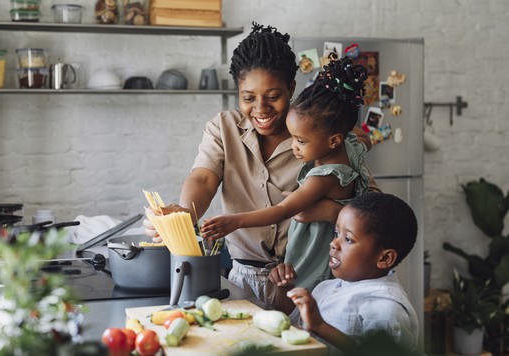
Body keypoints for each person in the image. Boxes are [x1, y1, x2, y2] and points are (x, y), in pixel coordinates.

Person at [143, 22, 377, 304]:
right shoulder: (223, 127)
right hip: (243, 279)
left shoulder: (320, 135)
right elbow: (203, 179)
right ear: (238, 91)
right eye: (248, 98)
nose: (261, 109)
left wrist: (329, 211)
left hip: (311, 278)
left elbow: (373, 204)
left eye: (273, 97)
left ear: (291, 88)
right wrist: (183, 215)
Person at [200, 54, 371, 293]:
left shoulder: (322, 175)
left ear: (291, 88)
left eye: (299, 141)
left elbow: (283, 211)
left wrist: (235, 221)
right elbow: (364, 139)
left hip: (306, 269)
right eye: (248, 97)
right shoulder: (345, 147)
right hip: (255, 272)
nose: (293, 146)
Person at [273, 192, 419, 353]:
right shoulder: (326, 287)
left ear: (384, 258)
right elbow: (293, 324)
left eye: (348, 239)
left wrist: (321, 327)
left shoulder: (386, 309)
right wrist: (284, 287)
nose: (334, 243)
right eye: (336, 233)